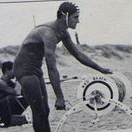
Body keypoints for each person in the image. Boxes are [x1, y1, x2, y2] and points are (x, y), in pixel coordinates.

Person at [13, 2, 112, 132]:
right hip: (24, 70)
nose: (78, 21)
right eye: (75, 17)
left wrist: (101, 69)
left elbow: (78, 55)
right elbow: (52, 68)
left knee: (45, 110)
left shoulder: (63, 32)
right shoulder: (49, 33)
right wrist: (59, 97)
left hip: (35, 69)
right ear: (64, 17)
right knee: (39, 111)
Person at [0, 61, 29, 128]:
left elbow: (21, 91)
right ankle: (5, 121)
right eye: (13, 70)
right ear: (7, 70)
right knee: (10, 98)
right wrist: (18, 78)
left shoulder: (8, 82)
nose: (14, 73)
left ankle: (12, 118)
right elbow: (16, 92)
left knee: (25, 99)